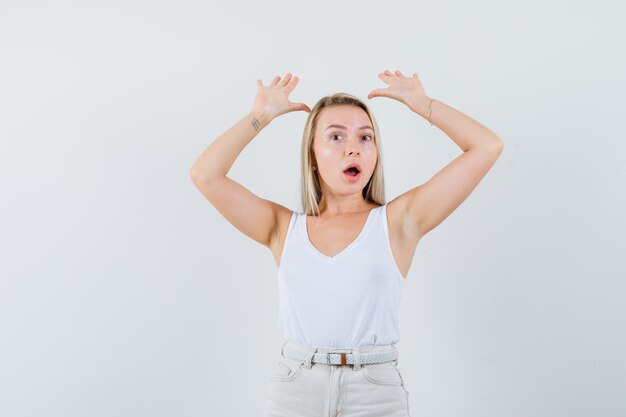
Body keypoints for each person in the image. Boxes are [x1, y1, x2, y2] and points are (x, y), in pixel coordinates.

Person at [190, 70, 504, 417]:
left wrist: (423, 104)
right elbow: (205, 174)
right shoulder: (281, 228)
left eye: (365, 138)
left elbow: (487, 146)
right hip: (295, 388)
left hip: (373, 391)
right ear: (312, 154)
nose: (353, 146)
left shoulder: (399, 222)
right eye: (336, 136)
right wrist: (260, 117)